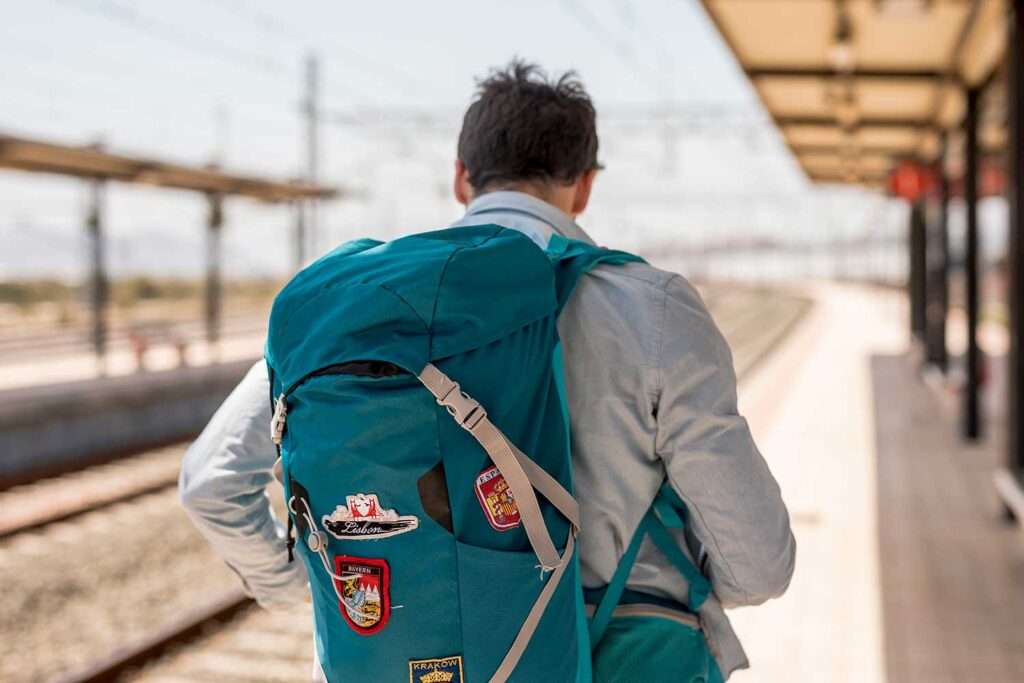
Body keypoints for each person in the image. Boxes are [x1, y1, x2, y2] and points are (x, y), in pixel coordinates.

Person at [179, 59, 795, 681]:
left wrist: (315, 593)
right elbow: (760, 564)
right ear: (583, 186)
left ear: (461, 179)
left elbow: (212, 481)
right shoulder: (654, 309)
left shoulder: (363, 309)